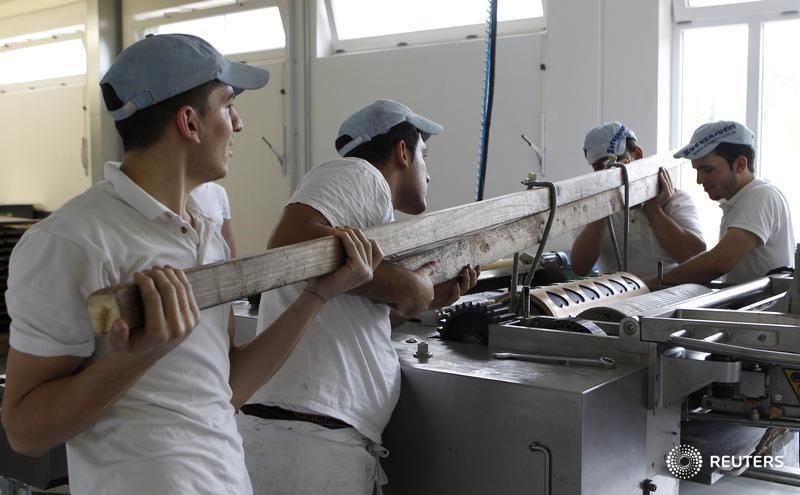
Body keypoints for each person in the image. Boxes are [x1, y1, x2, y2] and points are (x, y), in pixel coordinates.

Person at [1, 34, 379, 495]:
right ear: (190, 123)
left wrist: (318, 294)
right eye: (227, 105)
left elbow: (227, 389)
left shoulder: (204, 234)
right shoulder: (71, 241)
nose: (238, 123)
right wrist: (137, 356)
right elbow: (25, 431)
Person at [238, 99, 479, 495]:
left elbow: (350, 317)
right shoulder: (360, 173)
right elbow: (288, 244)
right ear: (402, 152)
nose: (429, 174)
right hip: (309, 437)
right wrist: (410, 287)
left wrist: (424, 300)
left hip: (307, 433)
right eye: (425, 156)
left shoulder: (362, 204)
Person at [655, 120, 795, 286]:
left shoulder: (761, 196)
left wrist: (652, 285)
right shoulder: (739, 201)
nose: (700, 180)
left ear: (740, 164)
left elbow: (719, 261)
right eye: (697, 170)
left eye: (707, 170)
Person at [571, 122, 706, 279]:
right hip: (618, 298)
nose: (608, 173)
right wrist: (604, 208)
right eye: (599, 168)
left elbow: (696, 256)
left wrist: (652, 209)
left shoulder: (675, 200)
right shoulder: (592, 209)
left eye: (617, 163)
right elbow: (580, 267)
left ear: (638, 155)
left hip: (670, 296)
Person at [192, 181, 236, 256]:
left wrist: (233, 265)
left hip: (218, 262)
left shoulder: (219, 191)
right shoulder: (176, 191)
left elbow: (227, 237)